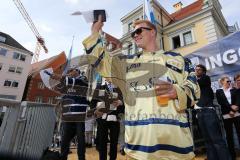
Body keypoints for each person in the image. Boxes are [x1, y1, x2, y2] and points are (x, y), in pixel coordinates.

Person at [82, 17, 200, 160]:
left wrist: (177, 92)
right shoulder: (128, 62)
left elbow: (194, 88)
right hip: (139, 150)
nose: (135, 35)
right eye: (133, 34)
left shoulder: (180, 59)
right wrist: (95, 32)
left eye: (138, 31)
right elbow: (101, 63)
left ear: (153, 32)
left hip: (177, 148)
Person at [194, 64, 231, 160]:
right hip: (199, 113)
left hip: (208, 112)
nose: (197, 71)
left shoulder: (205, 79)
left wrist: (190, 76)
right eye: (196, 69)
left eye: (199, 69)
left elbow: (197, 82)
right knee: (208, 141)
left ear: (204, 71)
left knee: (216, 140)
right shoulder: (194, 86)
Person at [52, 68, 89, 160]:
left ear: (77, 71)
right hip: (68, 114)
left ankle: (81, 158)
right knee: (65, 137)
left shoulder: (83, 79)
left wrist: (61, 78)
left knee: (80, 138)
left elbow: (77, 82)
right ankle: (63, 157)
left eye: (71, 71)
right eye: (68, 72)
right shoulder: (68, 84)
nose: (69, 73)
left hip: (79, 113)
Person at [94, 80, 124, 160]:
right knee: (102, 142)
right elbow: (93, 101)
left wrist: (120, 102)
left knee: (114, 142)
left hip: (115, 118)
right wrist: (95, 111)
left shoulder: (118, 87)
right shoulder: (99, 86)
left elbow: (124, 100)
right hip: (102, 118)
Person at [216, 76, 240, 160]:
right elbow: (221, 102)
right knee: (229, 136)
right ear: (222, 82)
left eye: (230, 81)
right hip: (226, 114)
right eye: (227, 81)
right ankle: (232, 156)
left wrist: (234, 109)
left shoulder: (234, 90)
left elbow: (238, 100)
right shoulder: (218, 91)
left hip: (236, 113)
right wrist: (230, 109)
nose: (229, 82)